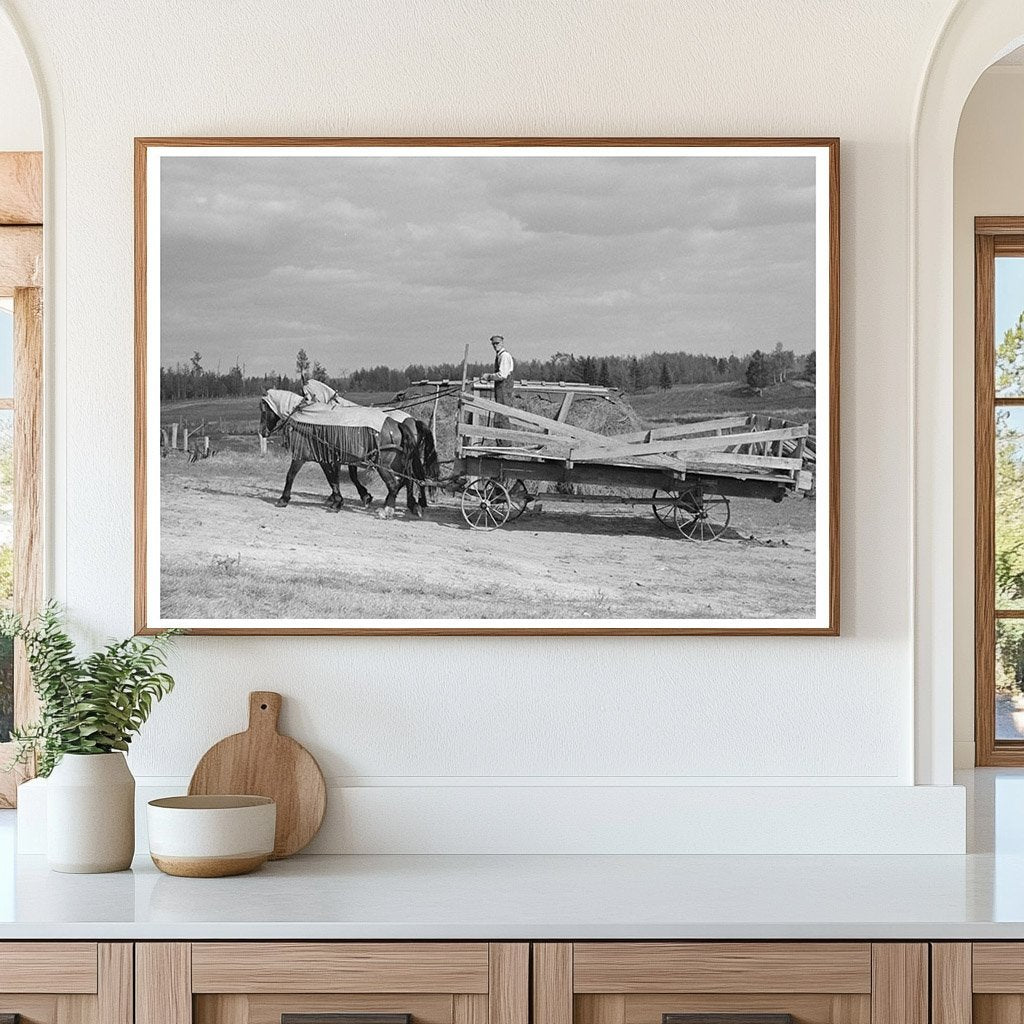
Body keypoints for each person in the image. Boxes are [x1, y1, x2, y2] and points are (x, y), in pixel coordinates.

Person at [482, 334, 515, 432]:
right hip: (501, 390)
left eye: (497, 343)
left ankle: (505, 443)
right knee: (500, 415)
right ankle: (502, 441)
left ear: (502, 343)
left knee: (503, 415)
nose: (495, 345)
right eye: (493, 344)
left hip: (504, 389)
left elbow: (502, 375)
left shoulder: (504, 356)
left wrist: (489, 376)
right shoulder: (499, 356)